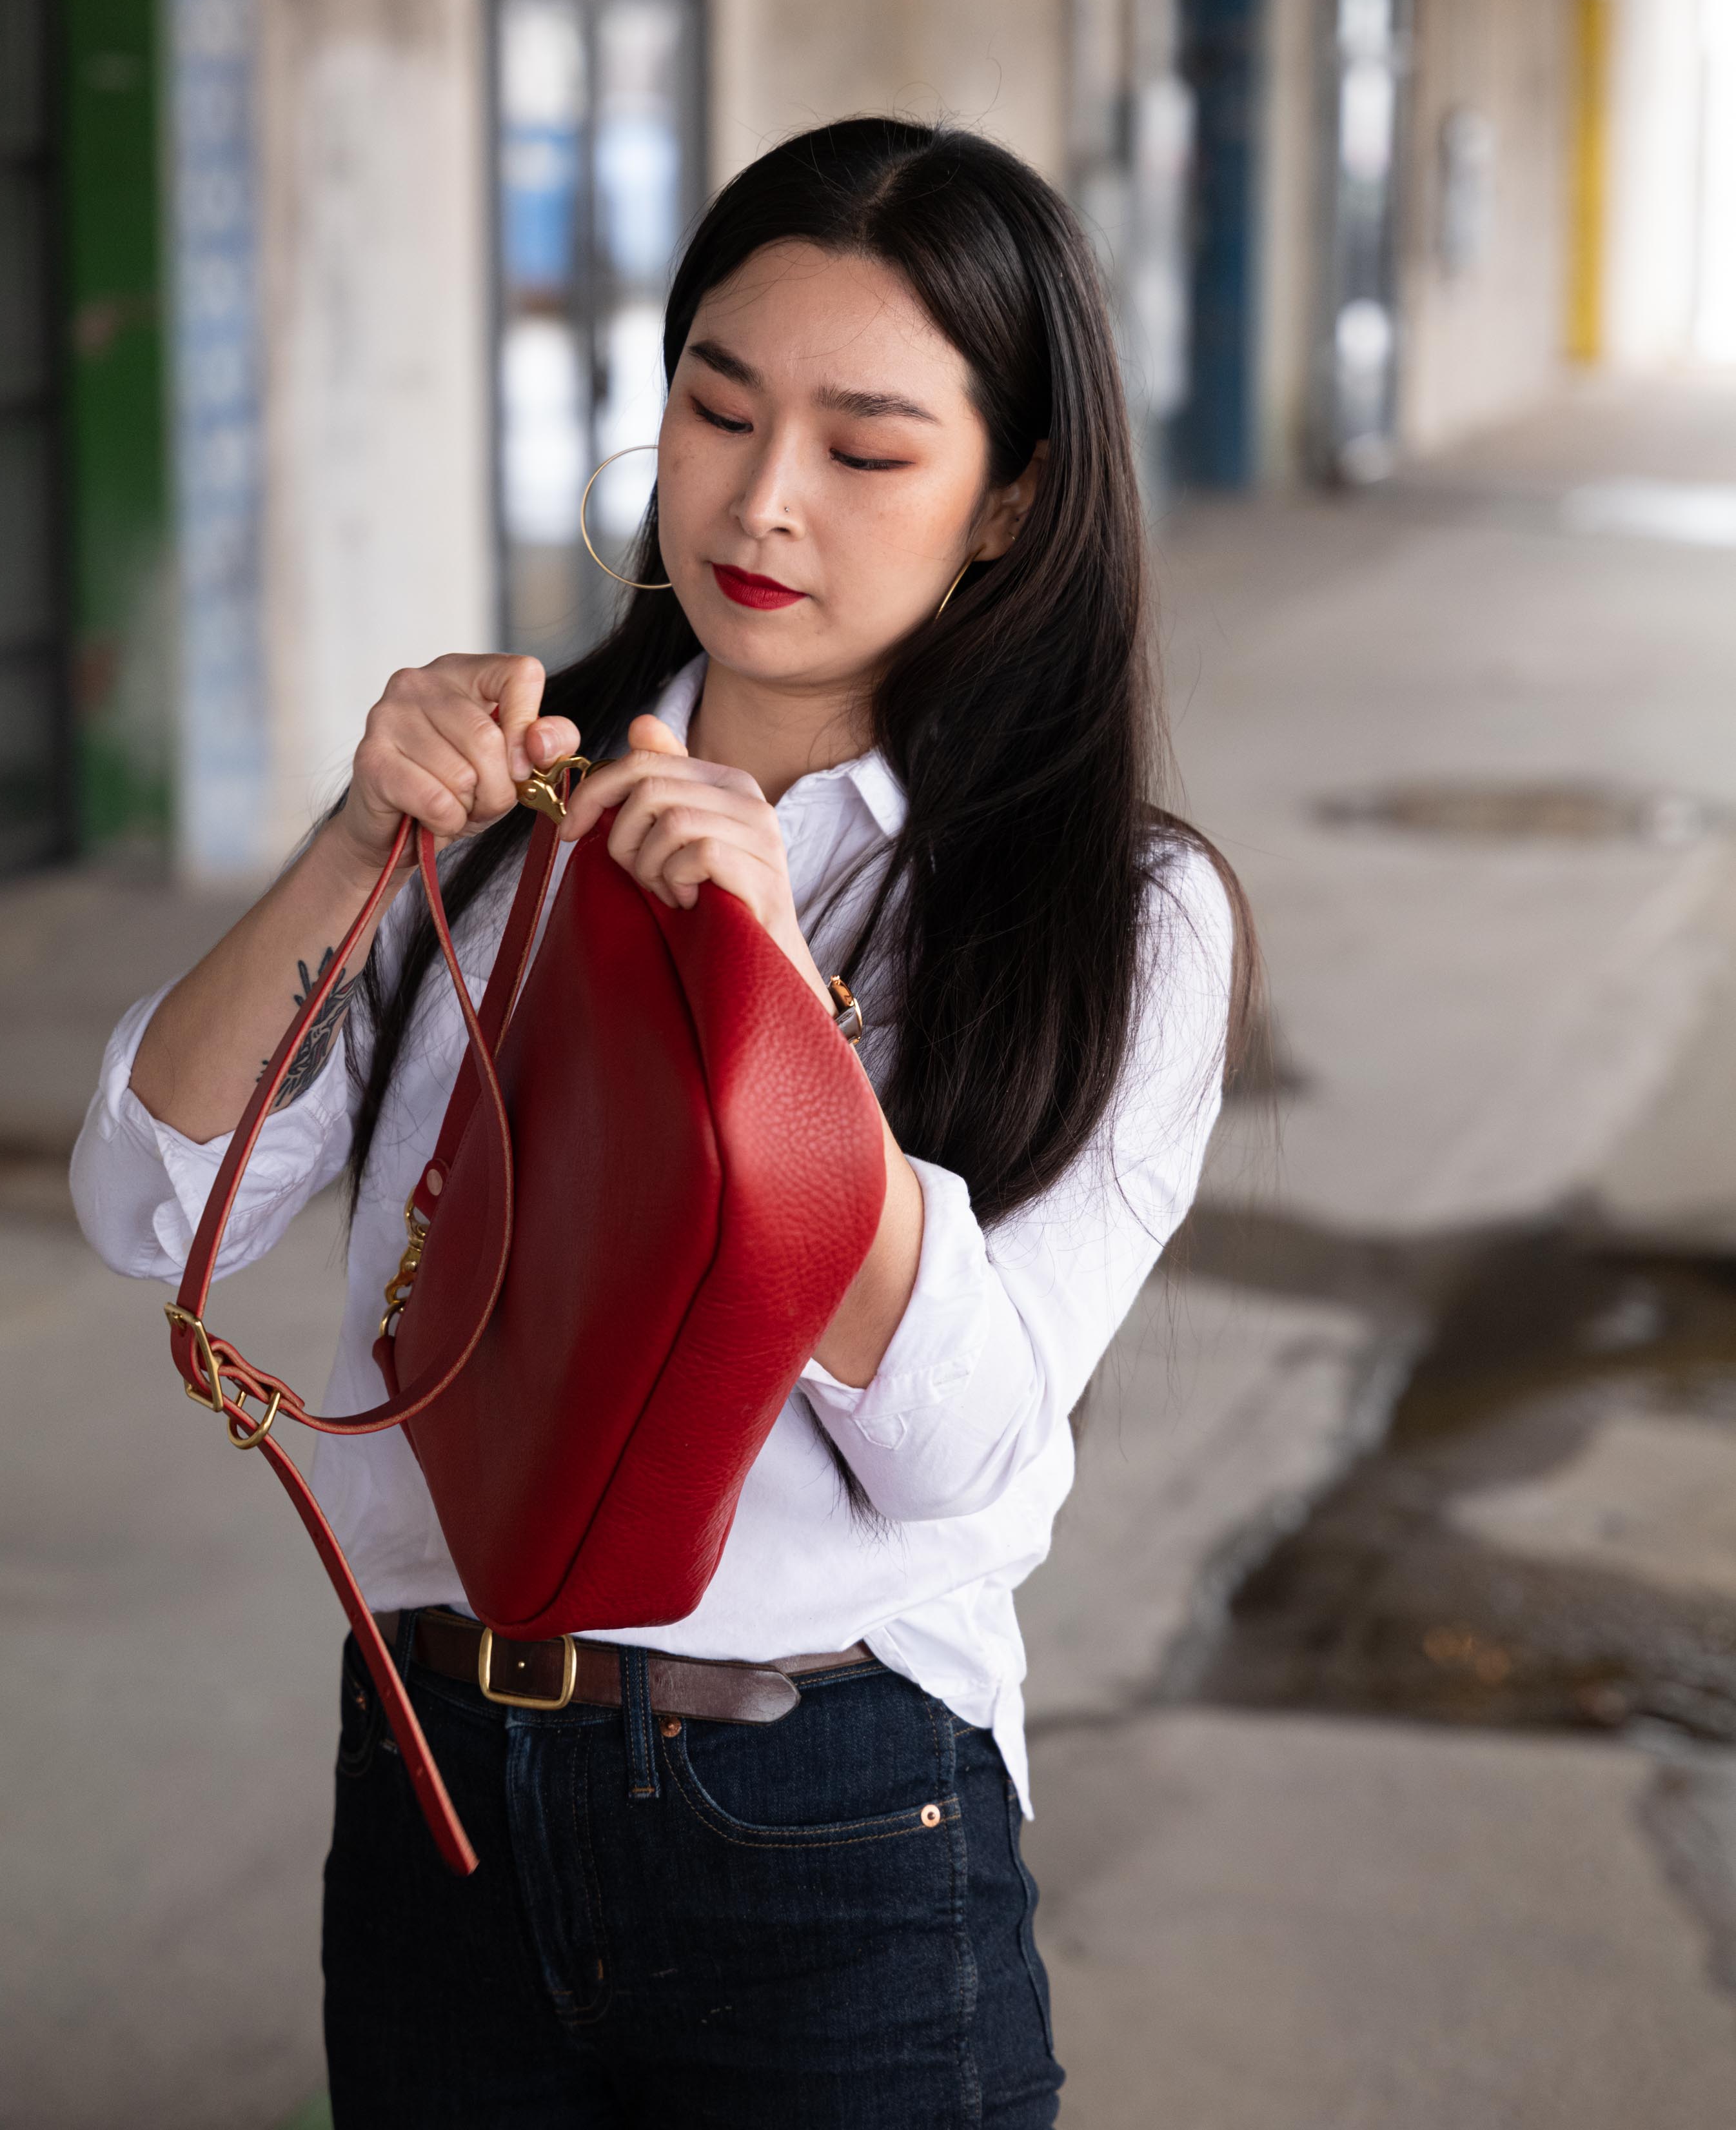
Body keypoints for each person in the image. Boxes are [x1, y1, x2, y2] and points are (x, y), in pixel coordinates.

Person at [72, 115, 1250, 2128]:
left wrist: (774, 1013)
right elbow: (143, 1201)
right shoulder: (506, 813)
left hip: (827, 1816)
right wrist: (360, 841)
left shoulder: (1111, 915)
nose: (761, 499)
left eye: (866, 449)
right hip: (435, 1784)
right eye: (715, 407)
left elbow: (962, 1442)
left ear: (1006, 502)